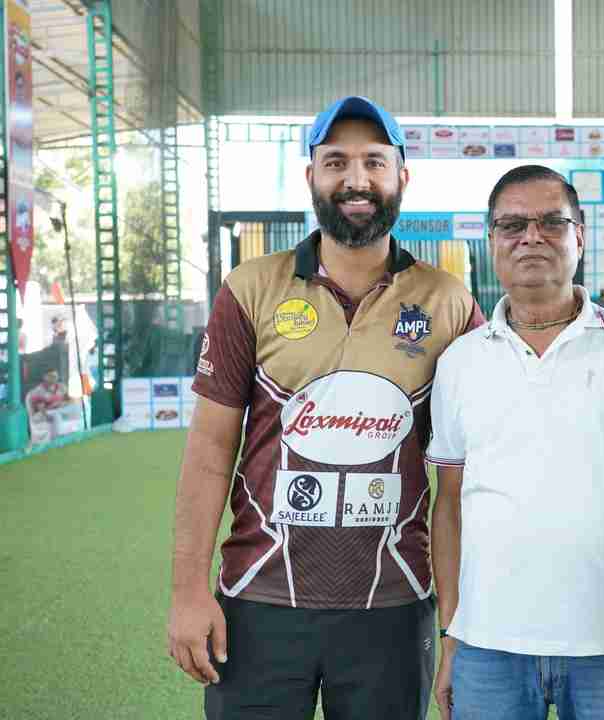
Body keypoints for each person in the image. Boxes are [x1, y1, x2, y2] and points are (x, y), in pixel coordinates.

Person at [167, 96, 483, 720]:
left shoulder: (447, 301)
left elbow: (472, 471)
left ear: (402, 176)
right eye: (336, 162)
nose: (356, 179)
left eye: (374, 162)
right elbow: (208, 452)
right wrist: (186, 591)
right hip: (258, 599)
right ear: (311, 175)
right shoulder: (250, 288)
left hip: (395, 605)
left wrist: (462, 619)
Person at [427, 165, 604, 720]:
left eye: (551, 222)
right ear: (492, 241)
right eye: (513, 225)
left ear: (580, 236)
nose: (532, 237)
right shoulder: (459, 362)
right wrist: (451, 630)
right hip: (487, 643)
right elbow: (448, 504)